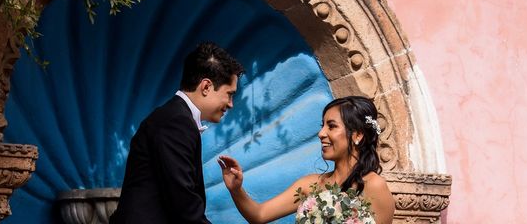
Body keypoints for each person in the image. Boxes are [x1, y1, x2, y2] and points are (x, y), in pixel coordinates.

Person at [110, 42, 244, 224]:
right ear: (206, 87)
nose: (231, 104)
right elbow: (184, 205)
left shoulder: (175, 117)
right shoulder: (176, 122)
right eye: (229, 94)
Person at [218, 96, 395, 224]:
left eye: (331, 126)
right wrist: (236, 189)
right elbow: (259, 215)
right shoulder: (309, 185)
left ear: (357, 135)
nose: (321, 133)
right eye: (322, 126)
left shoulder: (374, 185)